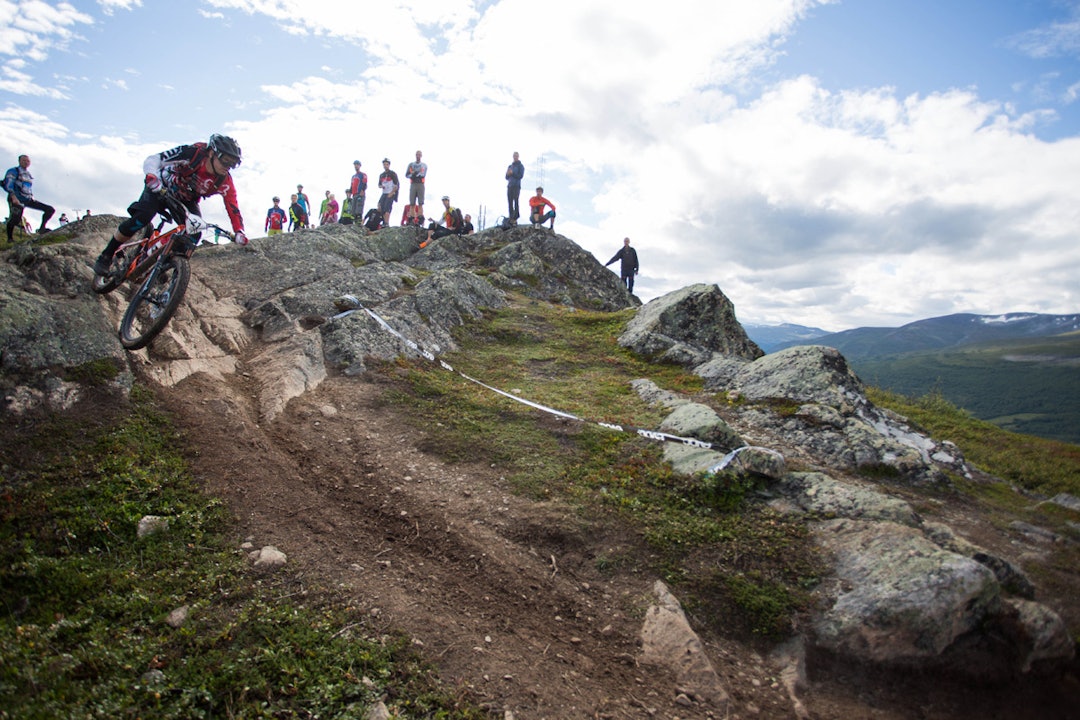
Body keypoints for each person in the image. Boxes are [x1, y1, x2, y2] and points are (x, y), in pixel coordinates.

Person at [93, 134, 247, 275]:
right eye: (225, 160)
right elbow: (154, 159)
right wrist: (151, 175)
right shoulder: (192, 153)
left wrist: (239, 231)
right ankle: (107, 255)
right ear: (212, 153)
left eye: (233, 164)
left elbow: (233, 207)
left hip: (185, 199)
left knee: (194, 234)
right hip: (161, 186)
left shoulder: (224, 181)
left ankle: (165, 267)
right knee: (143, 217)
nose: (228, 166)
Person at [4, 154, 56, 241]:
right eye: (24, 160)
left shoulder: (28, 174)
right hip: (16, 198)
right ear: (19, 161)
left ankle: (42, 229)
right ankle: (10, 238)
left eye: (28, 161)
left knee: (50, 209)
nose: (26, 162)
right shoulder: (13, 171)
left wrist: (32, 197)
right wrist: (13, 196)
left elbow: (28, 187)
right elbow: (8, 184)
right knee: (15, 219)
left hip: (28, 199)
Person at [405, 149, 427, 225]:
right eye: (417, 154)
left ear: (421, 156)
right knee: (412, 203)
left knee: (420, 202)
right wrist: (412, 175)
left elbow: (423, 174)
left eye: (419, 154)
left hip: (420, 184)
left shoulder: (424, 165)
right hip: (413, 183)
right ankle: (412, 218)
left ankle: (420, 218)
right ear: (415, 155)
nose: (418, 156)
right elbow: (407, 174)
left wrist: (416, 173)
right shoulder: (411, 164)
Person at [377, 158, 399, 228]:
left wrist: (393, 193)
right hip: (384, 192)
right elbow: (379, 184)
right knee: (380, 206)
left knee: (387, 208)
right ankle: (384, 222)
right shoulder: (381, 175)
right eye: (384, 164)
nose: (385, 166)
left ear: (389, 165)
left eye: (387, 164)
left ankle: (386, 223)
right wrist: (381, 186)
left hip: (390, 192)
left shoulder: (392, 173)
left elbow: (397, 185)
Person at [505, 151, 524, 224]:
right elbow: (506, 177)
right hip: (510, 185)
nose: (515, 157)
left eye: (516, 156)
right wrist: (508, 173)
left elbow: (520, 176)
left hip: (516, 186)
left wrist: (513, 173)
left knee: (515, 201)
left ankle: (516, 216)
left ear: (518, 157)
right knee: (509, 202)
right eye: (514, 156)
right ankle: (511, 216)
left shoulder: (520, 166)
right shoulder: (510, 166)